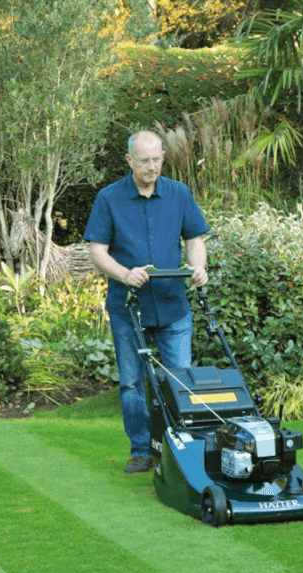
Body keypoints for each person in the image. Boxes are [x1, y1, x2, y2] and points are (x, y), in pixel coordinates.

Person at [83, 130, 210, 473]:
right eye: (144, 161)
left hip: (173, 305)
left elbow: (195, 238)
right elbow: (97, 251)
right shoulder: (109, 198)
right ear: (129, 161)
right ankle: (141, 449)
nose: (152, 167)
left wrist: (198, 268)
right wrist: (125, 274)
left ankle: (181, 446)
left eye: (157, 160)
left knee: (180, 379)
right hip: (129, 307)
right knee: (131, 383)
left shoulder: (179, 194)